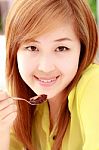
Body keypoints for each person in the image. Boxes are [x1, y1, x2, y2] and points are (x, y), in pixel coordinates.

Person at [0, 0, 99, 149]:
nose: (45, 67)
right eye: (32, 47)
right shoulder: (27, 108)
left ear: (82, 50)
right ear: (14, 52)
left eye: (61, 48)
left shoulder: (94, 85)